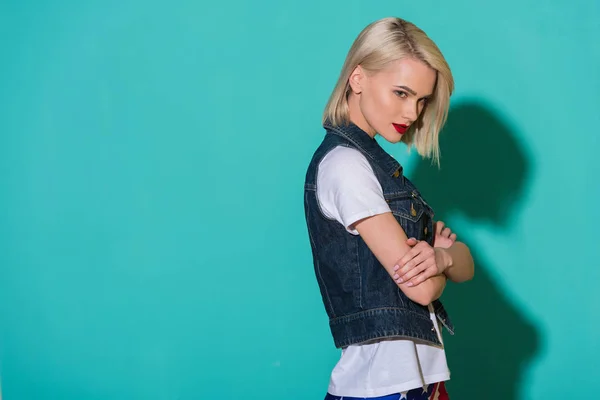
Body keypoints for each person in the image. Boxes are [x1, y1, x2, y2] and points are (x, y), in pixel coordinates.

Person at [303, 17, 475, 400]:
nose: (413, 113)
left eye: (421, 100)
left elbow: (464, 264)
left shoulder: (380, 169)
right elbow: (422, 290)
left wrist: (444, 260)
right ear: (358, 78)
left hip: (421, 384)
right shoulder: (346, 167)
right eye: (401, 93)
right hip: (382, 389)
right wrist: (441, 261)